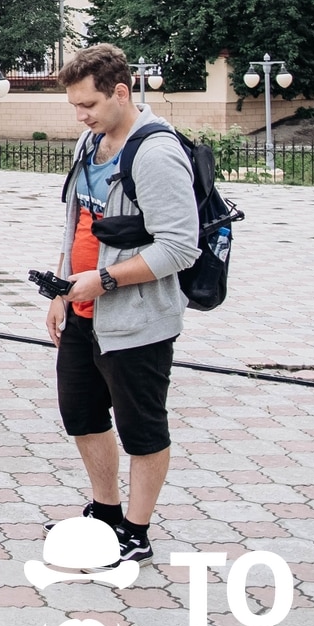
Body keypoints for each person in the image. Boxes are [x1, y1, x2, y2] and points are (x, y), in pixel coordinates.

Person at [47, 43, 200, 564]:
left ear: (121, 91)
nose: (81, 115)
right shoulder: (89, 145)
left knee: (141, 427)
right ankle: (106, 511)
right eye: (74, 106)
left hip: (137, 321)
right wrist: (63, 291)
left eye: (88, 104)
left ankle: (137, 530)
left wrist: (104, 281)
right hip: (82, 311)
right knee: (83, 416)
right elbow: (77, 224)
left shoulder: (156, 153)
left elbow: (180, 247)